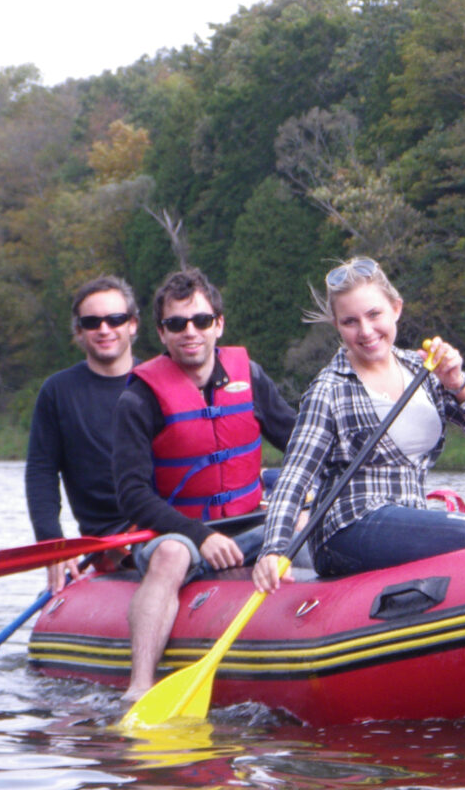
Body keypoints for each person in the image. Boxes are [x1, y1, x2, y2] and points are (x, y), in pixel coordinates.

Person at [253, 256, 465, 591]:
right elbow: (295, 477)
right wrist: (272, 548)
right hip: (347, 527)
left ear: (396, 308)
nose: (366, 331)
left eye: (374, 315)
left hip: (408, 517)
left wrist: (457, 383)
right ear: (337, 326)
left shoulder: (424, 369)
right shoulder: (328, 390)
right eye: (350, 322)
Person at [111, 267, 297, 700]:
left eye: (200, 320)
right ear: (162, 332)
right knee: (174, 554)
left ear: (219, 324)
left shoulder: (249, 375)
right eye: (177, 324)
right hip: (177, 533)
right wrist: (201, 535)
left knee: (307, 519)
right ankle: (139, 686)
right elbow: (133, 495)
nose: (189, 332)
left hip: (250, 526)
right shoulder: (138, 399)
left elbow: (300, 442)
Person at [24, 275, 141, 593]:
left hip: (169, 522)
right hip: (110, 539)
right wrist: (52, 543)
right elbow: (41, 472)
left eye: (115, 319)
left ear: (132, 324)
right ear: (79, 331)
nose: (104, 329)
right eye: (92, 322)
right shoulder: (57, 391)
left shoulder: (158, 382)